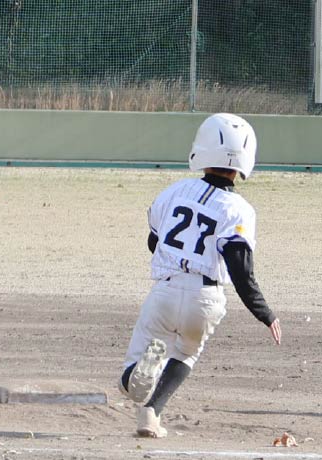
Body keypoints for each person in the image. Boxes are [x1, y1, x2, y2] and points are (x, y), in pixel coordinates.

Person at [118, 113, 281, 437]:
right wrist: (265, 313)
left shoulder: (176, 191)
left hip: (166, 291)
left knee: (130, 378)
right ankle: (151, 414)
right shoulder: (240, 210)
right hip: (206, 298)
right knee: (186, 353)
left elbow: (154, 241)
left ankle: (136, 376)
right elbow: (240, 270)